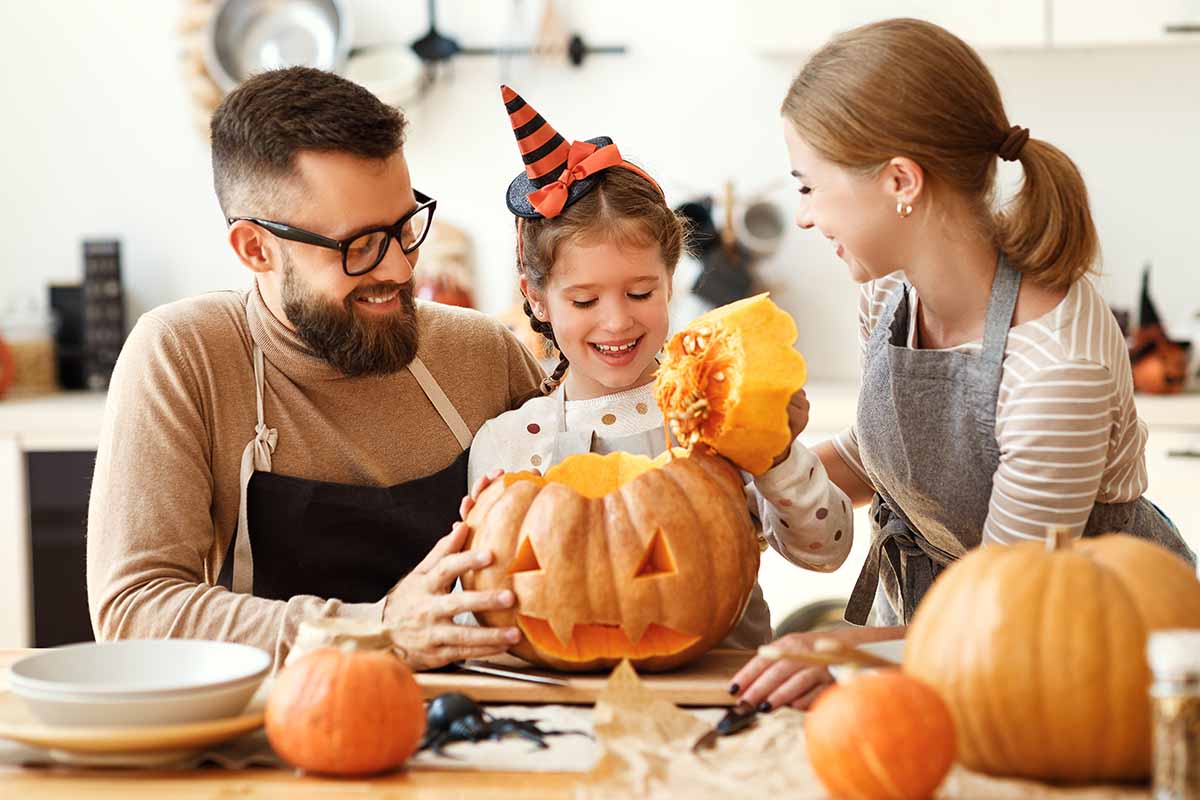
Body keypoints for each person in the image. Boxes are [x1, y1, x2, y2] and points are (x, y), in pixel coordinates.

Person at [732, 17, 1195, 706]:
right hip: (935, 633)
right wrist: (743, 491)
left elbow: (1012, 607)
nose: (804, 217)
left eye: (808, 186)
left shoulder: (1056, 364)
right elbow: (887, 457)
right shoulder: (890, 292)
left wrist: (840, 649)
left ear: (900, 181)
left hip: (1086, 657)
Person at [86, 67, 545, 669]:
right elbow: (135, 611)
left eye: (405, 228)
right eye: (359, 246)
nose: (401, 270)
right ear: (256, 248)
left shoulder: (483, 354)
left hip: (485, 710)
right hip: (280, 715)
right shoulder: (185, 355)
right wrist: (376, 630)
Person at [459, 86, 853, 709]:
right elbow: (485, 612)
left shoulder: (715, 413)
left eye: (640, 293)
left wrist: (778, 455)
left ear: (671, 282)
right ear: (537, 299)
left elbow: (826, 553)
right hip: (561, 711)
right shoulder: (508, 443)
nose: (616, 321)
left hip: (723, 698)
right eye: (584, 300)